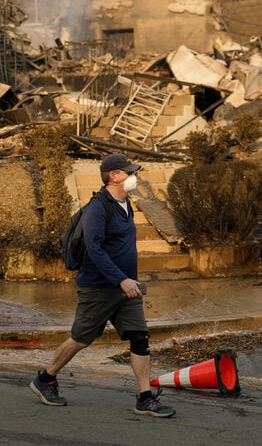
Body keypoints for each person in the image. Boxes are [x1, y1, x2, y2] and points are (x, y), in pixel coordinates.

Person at [29, 152, 175, 418]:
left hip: (127, 289)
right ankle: (45, 378)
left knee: (139, 337)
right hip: (98, 287)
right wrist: (121, 279)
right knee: (81, 338)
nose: (134, 176)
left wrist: (131, 281)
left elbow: (121, 247)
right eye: (129, 172)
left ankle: (144, 398)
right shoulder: (98, 208)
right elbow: (95, 250)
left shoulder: (126, 203)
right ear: (114, 176)